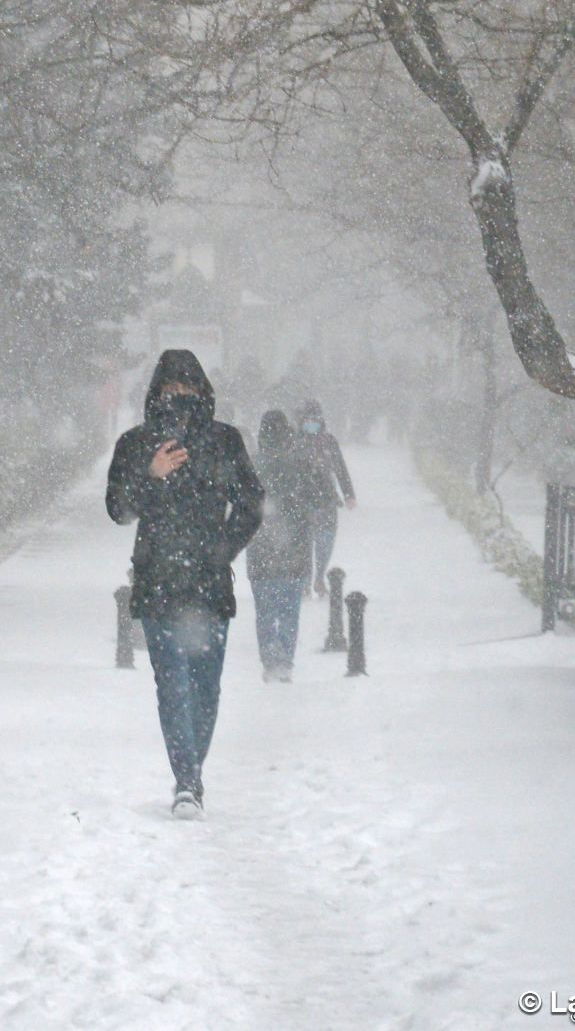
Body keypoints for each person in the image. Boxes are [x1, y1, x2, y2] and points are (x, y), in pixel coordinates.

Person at [106, 350, 263, 819]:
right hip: (157, 584)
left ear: (203, 392)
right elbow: (118, 509)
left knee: (206, 686)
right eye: (170, 390)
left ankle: (191, 771)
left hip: (209, 586)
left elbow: (252, 504)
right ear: (155, 393)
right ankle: (187, 781)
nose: (179, 398)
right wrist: (149, 475)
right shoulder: (135, 444)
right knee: (171, 684)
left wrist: (222, 548)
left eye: (188, 390)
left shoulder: (224, 442)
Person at [247, 411, 321, 683]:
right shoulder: (299, 464)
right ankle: (285, 659)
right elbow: (315, 498)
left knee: (264, 610)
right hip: (295, 547)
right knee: (289, 609)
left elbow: (242, 504)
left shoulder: (252, 464)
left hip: (260, 549)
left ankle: (268, 660)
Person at [293, 400, 356, 598]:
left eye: (315, 419)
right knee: (303, 543)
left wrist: (349, 494)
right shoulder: (294, 441)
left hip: (326, 499)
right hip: (302, 499)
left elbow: (340, 468)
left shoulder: (329, 441)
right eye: (308, 419)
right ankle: (304, 582)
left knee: (325, 542)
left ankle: (319, 578)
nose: (311, 423)